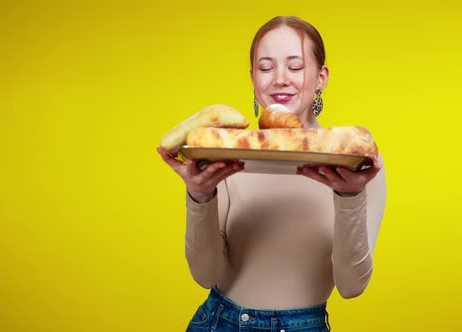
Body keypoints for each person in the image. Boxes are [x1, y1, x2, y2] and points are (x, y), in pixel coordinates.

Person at [157, 15, 386, 332]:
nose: (280, 79)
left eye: (295, 66)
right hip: (221, 323)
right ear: (252, 77)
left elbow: (351, 286)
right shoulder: (226, 152)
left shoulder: (354, 159)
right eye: (266, 68)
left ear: (322, 77)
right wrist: (199, 197)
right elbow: (204, 275)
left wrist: (349, 197)